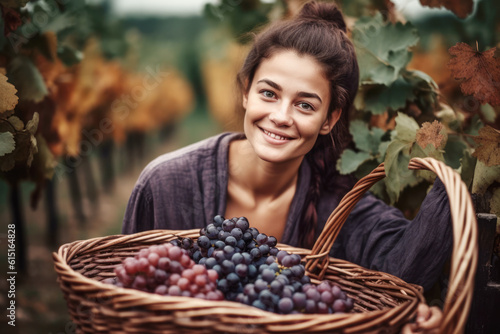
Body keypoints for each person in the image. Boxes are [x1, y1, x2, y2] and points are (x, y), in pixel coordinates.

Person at [122, 1, 451, 332]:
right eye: (268, 93)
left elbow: (404, 272)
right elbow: (122, 299)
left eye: (305, 105)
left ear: (329, 119)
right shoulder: (164, 185)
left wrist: (421, 318)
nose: (280, 116)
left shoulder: (337, 204)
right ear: (246, 92)